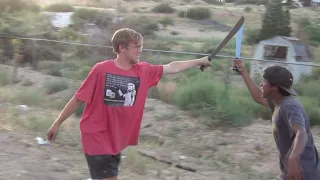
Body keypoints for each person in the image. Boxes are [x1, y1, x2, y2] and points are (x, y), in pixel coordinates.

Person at [46, 28, 211, 180]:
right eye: (136, 46)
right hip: (96, 136)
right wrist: (57, 123)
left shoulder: (143, 70)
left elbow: (172, 67)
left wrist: (199, 61)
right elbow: (78, 98)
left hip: (116, 140)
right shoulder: (101, 70)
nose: (140, 50)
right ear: (122, 47)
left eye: (141, 46)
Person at [233, 59, 320, 180]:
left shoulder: (289, 106)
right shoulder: (278, 102)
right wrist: (243, 72)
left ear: (274, 87)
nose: (261, 84)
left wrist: (293, 158)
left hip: (303, 173)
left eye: (264, 81)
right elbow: (258, 96)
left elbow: (301, 132)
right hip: (290, 172)